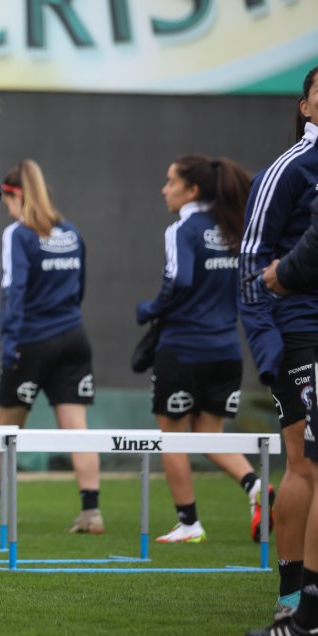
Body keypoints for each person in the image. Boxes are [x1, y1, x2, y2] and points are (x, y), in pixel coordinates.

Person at [133, 155, 272, 544]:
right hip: (227, 350)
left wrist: (149, 310)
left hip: (183, 350)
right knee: (209, 434)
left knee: (172, 438)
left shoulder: (182, 229)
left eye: (170, 181)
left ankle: (189, 524)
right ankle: (255, 486)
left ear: (192, 189)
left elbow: (179, 282)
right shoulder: (234, 227)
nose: (164, 189)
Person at [0, 160, 103, 534]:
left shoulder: (18, 234)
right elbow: (82, 286)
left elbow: (13, 292)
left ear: (13, 195)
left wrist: (11, 345)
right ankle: (91, 511)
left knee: (6, 427)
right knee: (77, 427)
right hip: (74, 336)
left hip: (32, 341)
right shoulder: (71, 232)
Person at [240, 65, 318, 620]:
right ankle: (293, 602)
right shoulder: (289, 169)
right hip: (303, 332)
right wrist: (269, 351)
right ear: (306, 107)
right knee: (308, 465)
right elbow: (250, 267)